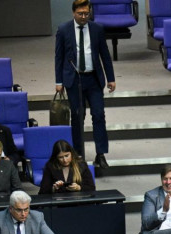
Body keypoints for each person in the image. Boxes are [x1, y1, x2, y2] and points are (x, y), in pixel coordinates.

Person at [54, 0, 116, 168]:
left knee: (98, 115)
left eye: (86, 14)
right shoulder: (64, 29)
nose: (83, 17)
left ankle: (100, 154)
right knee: (77, 116)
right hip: (74, 79)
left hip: (94, 79)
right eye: (80, 14)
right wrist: (58, 81)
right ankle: (78, 153)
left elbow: (105, 55)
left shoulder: (97, 29)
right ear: (73, 13)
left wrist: (111, 78)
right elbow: (59, 57)